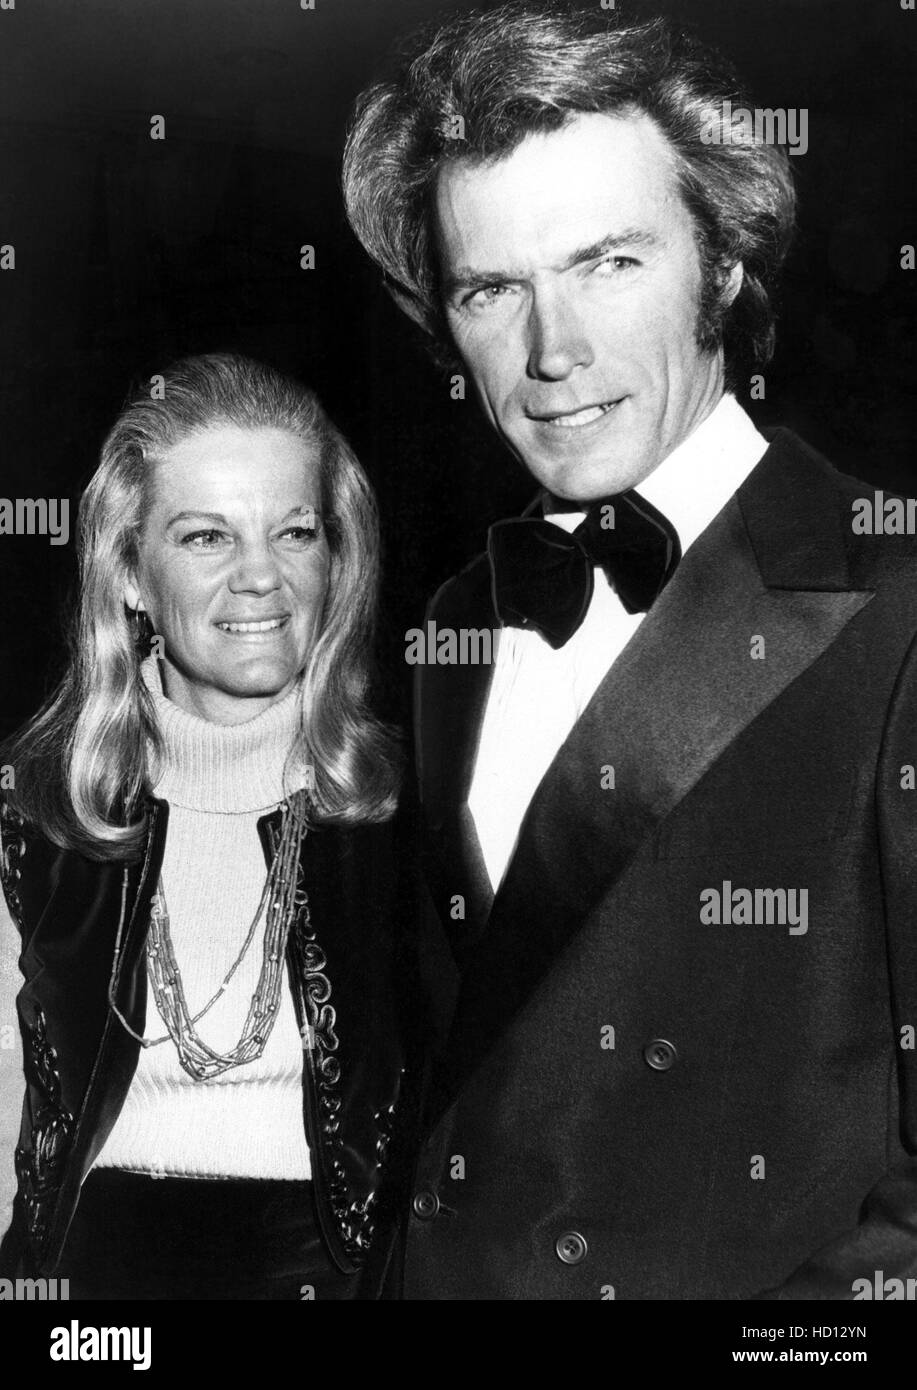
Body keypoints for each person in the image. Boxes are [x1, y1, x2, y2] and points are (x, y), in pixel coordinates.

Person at [343, 2, 917, 1299]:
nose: (553, 354)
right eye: (495, 288)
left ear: (722, 261)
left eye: (607, 262)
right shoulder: (452, 624)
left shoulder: (893, 599)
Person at [0, 352, 417, 1300]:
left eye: (296, 532)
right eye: (205, 538)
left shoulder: (419, 810)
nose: (260, 577)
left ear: (338, 559)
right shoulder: (36, 819)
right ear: (131, 573)